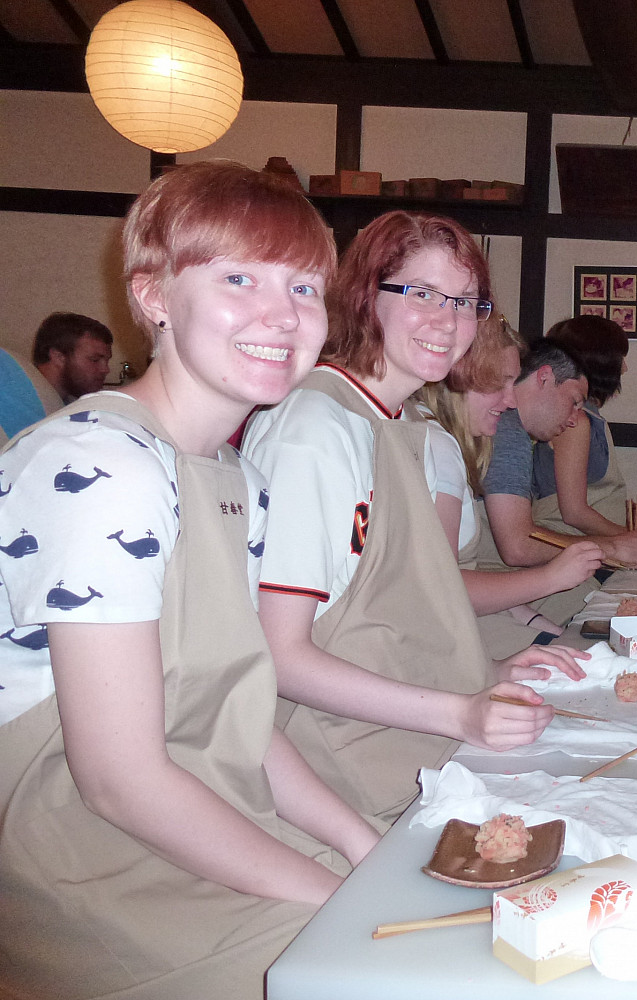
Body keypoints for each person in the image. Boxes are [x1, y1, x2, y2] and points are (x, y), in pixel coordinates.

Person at [0, 161, 378, 999]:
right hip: (72, 851)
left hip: (193, 804)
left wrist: (362, 848)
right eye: (239, 278)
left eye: (305, 288)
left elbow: (231, 710)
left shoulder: (237, 477)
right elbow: (116, 781)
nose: (281, 316)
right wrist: (341, 899)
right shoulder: (104, 462)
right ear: (155, 298)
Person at [244, 211, 586, 827]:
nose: (448, 321)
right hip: (338, 763)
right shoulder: (315, 429)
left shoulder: (409, 430)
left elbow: (402, 614)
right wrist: (459, 710)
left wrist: (488, 671)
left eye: (464, 301)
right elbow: (281, 656)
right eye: (422, 294)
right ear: (365, 295)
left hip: (405, 741)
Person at [415, 318, 604, 647]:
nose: (512, 400)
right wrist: (550, 578)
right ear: (458, 375)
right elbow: (440, 589)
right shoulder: (439, 446)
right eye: (498, 383)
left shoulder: (455, 443)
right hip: (438, 634)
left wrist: (543, 627)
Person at [480, 341, 637, 625]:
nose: (573, 420)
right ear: (543, 377)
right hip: (488, 583)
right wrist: (611, 549)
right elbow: (517, 546)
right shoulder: (508, 428)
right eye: (573, 403)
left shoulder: (514, 429)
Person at [530, 314, 634, 537]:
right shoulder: (575, 422)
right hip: (567, 544)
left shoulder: (589, 417)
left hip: (589, 542)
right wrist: (630, 537)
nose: (624, 368)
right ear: (600, 362)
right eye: (619, 358)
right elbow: (574, 513)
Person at [32, 311, 114, 403]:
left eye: (106, 361)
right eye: (94, 360)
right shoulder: (25, 403)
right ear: (59, 357)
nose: (105, 370)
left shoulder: (65, 402)